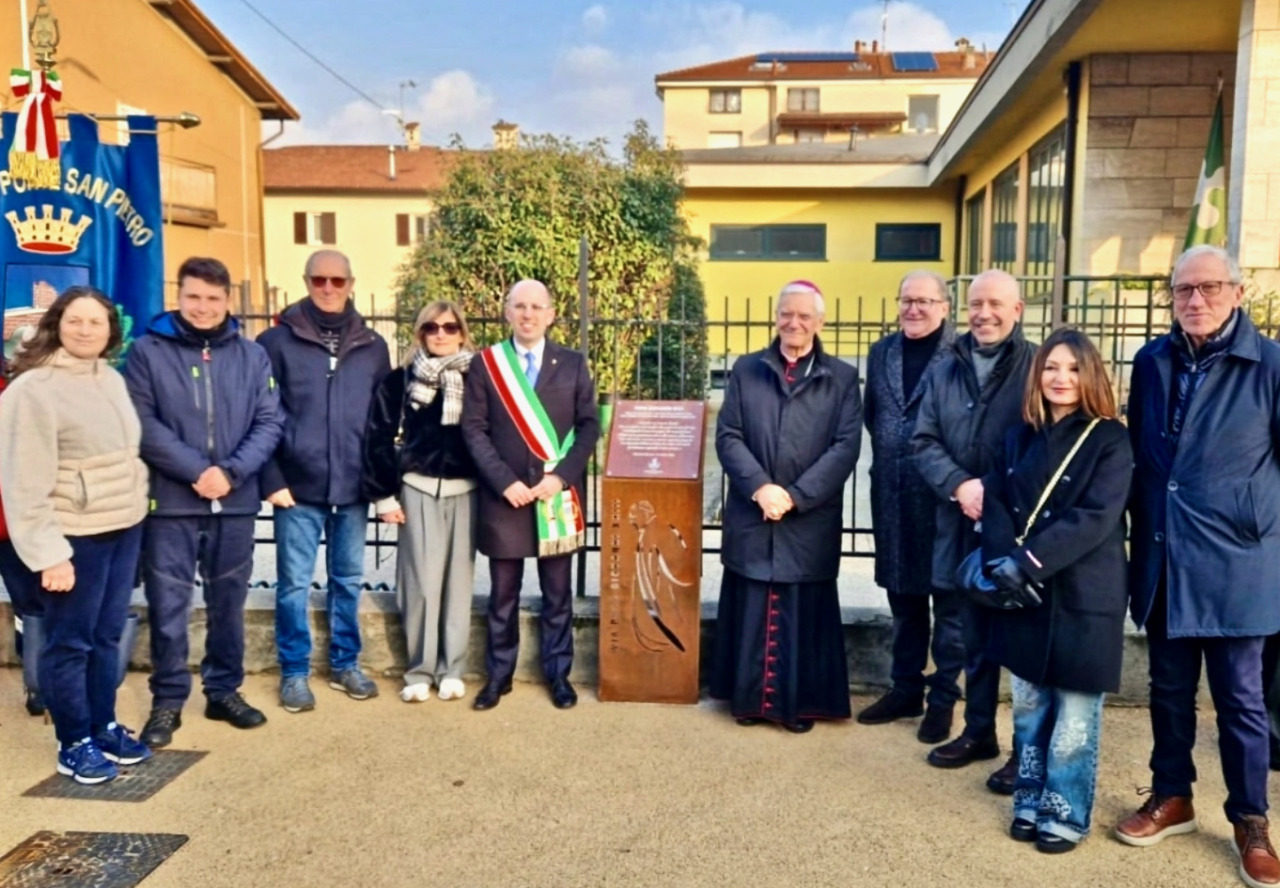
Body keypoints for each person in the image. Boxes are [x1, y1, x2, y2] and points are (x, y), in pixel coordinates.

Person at [1116, 245, 1280, 888]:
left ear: (1237, 293)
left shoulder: (1269, 364)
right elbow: (1141, 455)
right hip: (1164, 554)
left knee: (1241, 700)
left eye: (1210, 288)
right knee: (1168, 689)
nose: (1195, 300)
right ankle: (1171, 795)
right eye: (1183, 290)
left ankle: (1251, 820)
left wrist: (1254, 523)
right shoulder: (1152, 360)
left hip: (1238, 561)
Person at [979, 328, 1132, 853]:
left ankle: (1065, 809)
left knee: (1073, 714)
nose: (1060, 378)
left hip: (1083, 593)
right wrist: (1003, 562)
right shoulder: (1018, 434)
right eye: (1050, 367)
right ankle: (1029, 797)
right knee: (1028, 706)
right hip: (1023, 591)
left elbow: (1096, 517)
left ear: (1089, 375)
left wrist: (1027, 562)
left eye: (1072, 368)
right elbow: (995, 498)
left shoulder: (1111, 437)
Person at [124, 257, 284, 747]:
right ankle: (168, 701)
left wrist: (230, 473)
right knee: (169, 605)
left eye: (214, 299)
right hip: (171, 502)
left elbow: (270, 421)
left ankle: (223, 691)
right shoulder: (147, 352)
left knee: (228, 604)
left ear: (228, 301)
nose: (203, 307)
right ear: (180, 295)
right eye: (194, 297)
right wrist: (197, 471)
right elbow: (142, 425)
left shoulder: (252, 355)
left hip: (234, 501)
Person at [0, 287, 151, 784]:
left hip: (120, 530)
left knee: (107, 636)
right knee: (70, 643)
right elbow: (23, 481)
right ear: (57, 324)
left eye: (96, 322)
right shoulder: (33, 389)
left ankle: (102, 724)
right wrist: (48, 555)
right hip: (72, 539)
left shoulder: (109, 379)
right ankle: (73, 741)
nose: (86, 330)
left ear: (111, 331)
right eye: (76, 320)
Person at [711, 280, 862, 733]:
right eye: (785, 314)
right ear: (776, 317)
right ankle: (750, 702)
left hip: (808, 518)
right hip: (754, 512)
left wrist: (795, 495)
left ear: (820, 321)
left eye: (803, 316)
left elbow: (845, 446)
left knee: (801, 609)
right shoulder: (747, 368)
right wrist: (760, 487)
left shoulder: (841, 378)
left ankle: (797, 706)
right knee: (754, 599)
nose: (793, 323)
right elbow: (729, 435)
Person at [911, 268, 1036, 792]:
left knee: (1025, 637)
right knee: (968, 629)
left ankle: (1026, 752)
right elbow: (923, 440)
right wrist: (960, 486)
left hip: (1018, 524)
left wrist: (1000, 493)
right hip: (957, 517)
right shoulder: (946, 368)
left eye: (995, 304)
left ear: (1017, 310)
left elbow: (1051, 440)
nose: (984, 314)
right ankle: (979, 730)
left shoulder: (1037, 365)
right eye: (976, 304)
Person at [258, 250, 391, 712]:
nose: (329, 288)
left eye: (338, 280)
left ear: (351, 283)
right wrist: (271, 478)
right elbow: (262, 416)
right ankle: (294, 672)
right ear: (307, 282)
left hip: (353, 486)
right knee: (293, 583)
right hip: (295, 487)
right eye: (320, 280)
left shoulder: (374, 345)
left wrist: (380, 484)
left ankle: (345, 663)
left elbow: (381, 422)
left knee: (348, 580)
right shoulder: (275, 342)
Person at [461, 279, 599, 711]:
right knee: (502, 595)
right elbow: (474, 429)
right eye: (519, 306)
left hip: (555, 498)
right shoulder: (487, 365)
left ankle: (558, 675)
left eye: (537, 307)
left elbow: (589, 426)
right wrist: (505, 482)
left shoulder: (573, 363)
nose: (528, 314)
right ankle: (499, 676)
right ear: (507, 312)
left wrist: (562, 477)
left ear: (551, 314)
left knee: (558, 595)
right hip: (507, 499)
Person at [860, 270, 961, 744]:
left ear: (944, 306)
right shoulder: (881, 352)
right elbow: (873, 416)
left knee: (948, 603)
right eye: (906, 300)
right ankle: (905, 688)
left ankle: (942, 699)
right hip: (893, 494)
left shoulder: (960, 354)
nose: (914, 309)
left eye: (924, 301)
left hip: (943, 499)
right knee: (902, 599)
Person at [362, 301, 478, 703]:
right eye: (432, 327)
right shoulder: (400, 381)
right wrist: (383, 496)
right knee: (420, 585)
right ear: (421, 334)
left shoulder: (480, 378)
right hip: (417, 487)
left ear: (462, 332)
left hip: (467, 490)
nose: (441, 334)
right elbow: (377, 437)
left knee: (457, 586)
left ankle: (452, 669)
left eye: (449, 327)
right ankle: (419, 670)